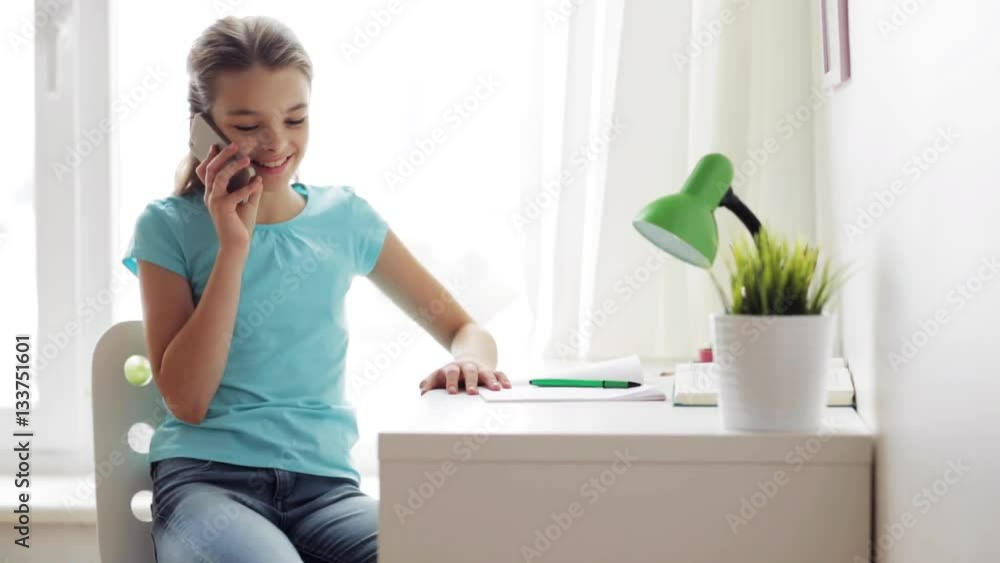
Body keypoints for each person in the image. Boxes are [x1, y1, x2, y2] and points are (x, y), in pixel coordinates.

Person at [122, 15, 511, 563]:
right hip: (207, 485)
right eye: (246, 124)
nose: (277, 142)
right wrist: (235, 246)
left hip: (325, 491)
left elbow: (465, 328)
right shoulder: (167, 226)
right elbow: (187, 401)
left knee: (435, 549)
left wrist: (468, 361)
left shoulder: (344, 217)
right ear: (202, 128)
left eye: (296, 118)